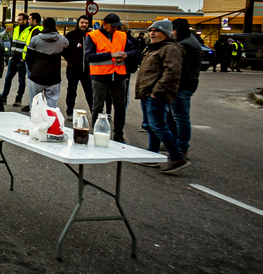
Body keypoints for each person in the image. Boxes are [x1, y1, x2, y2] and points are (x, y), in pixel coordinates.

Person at [136, 19, 188, 173]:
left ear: (165, 33)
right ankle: (152, 154)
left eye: (156, 30)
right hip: (147, 93)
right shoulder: (154, 48)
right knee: (149, 125)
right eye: (150, 30)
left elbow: (172, 73)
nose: (152, 33)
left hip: (156, 95)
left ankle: (176, 156)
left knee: (158, 125)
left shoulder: (170, 49)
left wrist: (157, 92)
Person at [85, 12, 138, 143]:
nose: (115, 28)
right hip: (100, 76)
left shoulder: (122, 35)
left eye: (117, 26)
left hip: (119, 76)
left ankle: (119, 136)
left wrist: (127, 54)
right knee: (97, 107)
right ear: (105, 24)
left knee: (120, 107)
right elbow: (89, 56)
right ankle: (96, 135)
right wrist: (111, 55)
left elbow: (135, 51)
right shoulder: (93, 36)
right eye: (113, 26)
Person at [170, 17, 202, 158]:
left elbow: (179, 68)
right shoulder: (190, 40)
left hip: (182, 85)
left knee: (180, 117)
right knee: (175, 116)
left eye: (173, 29)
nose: (171, 33)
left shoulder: (185, 45)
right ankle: (177, 144)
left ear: (178, 30)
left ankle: (182, 147)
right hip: (185, 84)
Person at [24, 17, 68, 110]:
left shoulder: (35, 39)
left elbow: (29, 58)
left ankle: (36, 123)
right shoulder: (62, 40)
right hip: (54, 76)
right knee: (52, 104)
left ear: (43, 25)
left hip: (36, 75)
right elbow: (68, 53)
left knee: (35, 103)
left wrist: (32, 70)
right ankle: (51, 123)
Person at [63, 15, 94, 119]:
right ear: (78, 23)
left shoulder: (92, 36)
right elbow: (64, 50)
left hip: (88, 70)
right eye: (82, 22)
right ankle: (69, 112)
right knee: (71, 90)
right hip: (73, 69)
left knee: (90, 92)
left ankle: (94, 113)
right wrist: (71, 61)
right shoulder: (71, 35)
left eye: (86, 23)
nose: (84, 25)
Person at [2, 12, 34, 107]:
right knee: (8, 78)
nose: (17, 21)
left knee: (21, 80)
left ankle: (18, 98)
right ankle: (4, 96)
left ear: (25, 20)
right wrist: (10, 55)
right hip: (13, 58)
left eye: (19, 20)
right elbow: (12, 43)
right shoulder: (15, 29)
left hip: (22, 60)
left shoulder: (29, 30)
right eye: (17, 19)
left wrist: (25, 58)